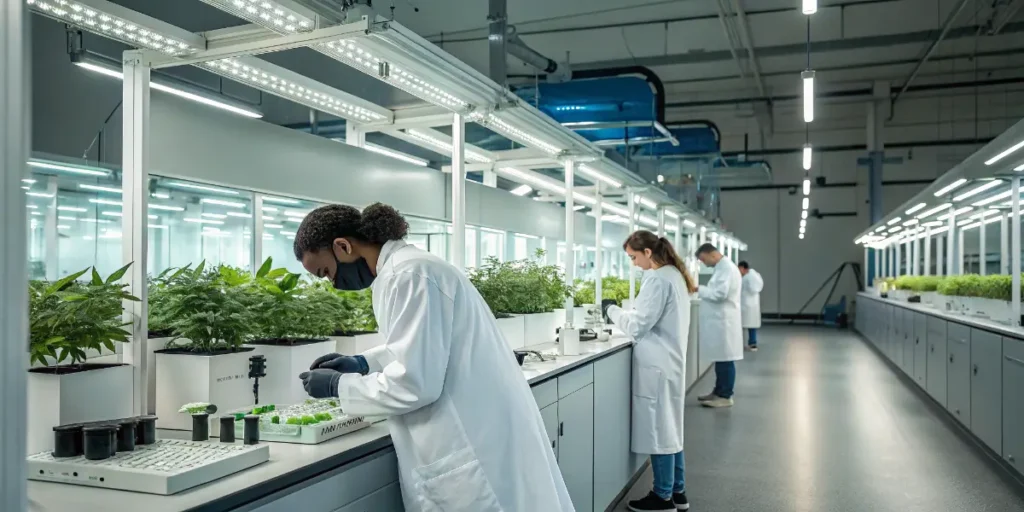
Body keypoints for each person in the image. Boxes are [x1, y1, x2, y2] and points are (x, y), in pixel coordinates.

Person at [294, 203, 574, 512]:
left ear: (343, 246)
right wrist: (365, 363)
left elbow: (415, 382)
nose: (332, 283)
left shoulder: (408, 275)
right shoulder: (409, 268)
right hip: (479, 431)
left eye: (326, 272)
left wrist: (340, 386)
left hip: (469, 442)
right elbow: (424, 346)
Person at [605, 231, 698, 512]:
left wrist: (610, 310)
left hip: (657, 366)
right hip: (669, 362)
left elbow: (637, 326)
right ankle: (678, 492)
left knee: (660, 431)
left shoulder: (657, 278)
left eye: (634, 257)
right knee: (671, 428)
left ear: (647, 252)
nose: (633, 263)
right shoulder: (673, 275)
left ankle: (662, 496)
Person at [694, 243, 743, 408]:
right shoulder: (722, 268)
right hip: (721, 321)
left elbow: (720, 294)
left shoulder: (726, 268)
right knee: (721, 359)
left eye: (703, 259)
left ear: (712, 254)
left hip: (724, 321)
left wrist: (698, 289)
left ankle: (725, 395)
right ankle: (718, 392)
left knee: (725, 360)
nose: (704, 263)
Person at [738, 261, 764, 351]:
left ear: (743, 268)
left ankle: (739, 344)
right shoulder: (756, 275)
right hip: (753, 304)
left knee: (740, 325)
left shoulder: (747, 277)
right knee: (751, 325)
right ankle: (752, 343)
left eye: (739, 269)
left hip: (745, 304)